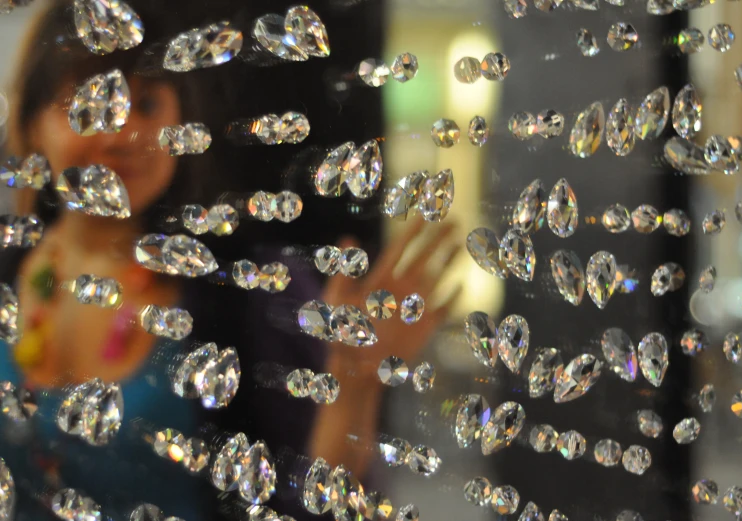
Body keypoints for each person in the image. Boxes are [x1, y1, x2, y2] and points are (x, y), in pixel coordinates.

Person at [0, 0, 461, 518]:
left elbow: (306, 504)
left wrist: (355, 383)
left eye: (147, 106)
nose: (120, 134)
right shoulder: (10, 272)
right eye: (87, 104)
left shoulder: (244, 295)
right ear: (32, 121)